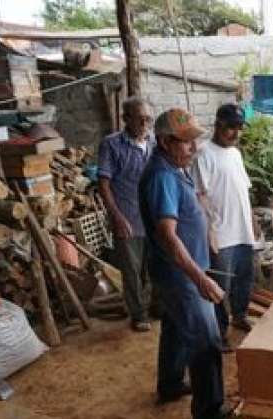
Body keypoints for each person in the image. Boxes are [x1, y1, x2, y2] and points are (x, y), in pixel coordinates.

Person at [138, 108, 228, 418]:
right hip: (181, 275)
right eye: (186, 142)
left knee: (176, 329)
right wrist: (200, 279)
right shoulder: (162, 176)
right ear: (164, 141)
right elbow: (168, 236)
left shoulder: (175, 167)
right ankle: (210, 409)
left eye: (194, 141)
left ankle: (170, 384)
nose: (193, 148)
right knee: (206, 341)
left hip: (179, 271)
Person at [192, 104, 258, 349]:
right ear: (218, 124)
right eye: (231, 128)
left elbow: (244, 191)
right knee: (220, 287)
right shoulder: (202, 154)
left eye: (239, 128)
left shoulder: (235, 154)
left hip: (242, 232)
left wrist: (251, 221)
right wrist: (209, 232)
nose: (236, 134)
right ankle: (218, 333)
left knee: (244, 279)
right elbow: (200, 196)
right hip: (221, 233)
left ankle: (239, 316)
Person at [98, 97, 155, 332]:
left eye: (148, 118)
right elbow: (103, 184)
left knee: (152, 268)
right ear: (126, 119)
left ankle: (152, 306)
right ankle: (139, 314)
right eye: (139, 118)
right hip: (128, 218)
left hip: (153, 218)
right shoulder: (112, 144)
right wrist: (117, 217)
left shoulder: (153, 143)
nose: (144, 123)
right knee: (131, 270)